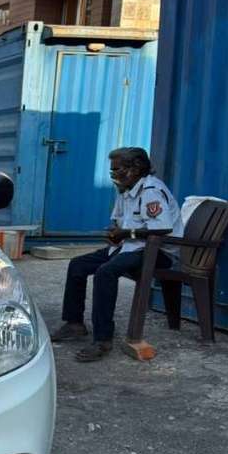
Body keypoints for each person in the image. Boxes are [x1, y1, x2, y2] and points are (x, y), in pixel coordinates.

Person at [51, 147, 183, 362]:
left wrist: (126, 233)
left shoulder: (150, 190)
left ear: (136, 168)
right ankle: (74, 324)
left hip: (157, 252)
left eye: (118, 169)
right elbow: (119, 222)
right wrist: (114, 233)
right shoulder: (125, 190)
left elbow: (162, 228)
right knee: (78, 265)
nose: (114, 174)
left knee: (105, 272)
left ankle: (103, 340)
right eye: (112, 170)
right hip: (130, 246)